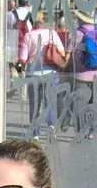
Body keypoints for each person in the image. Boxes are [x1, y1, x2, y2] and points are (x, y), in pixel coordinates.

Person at [59, 8, 97, 141]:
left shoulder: (75, 34)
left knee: (79, 105)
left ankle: (80, 131)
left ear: (80, 19)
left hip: (79, 77)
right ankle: (90, 130)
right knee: (91, 103)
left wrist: (61, 72)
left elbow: (66, 58)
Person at [19, 10, 64, 138]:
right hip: (50, 72)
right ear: (43, 21)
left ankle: (35, 134)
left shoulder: (28, 36)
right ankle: (50, 127)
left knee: (34, 104)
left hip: (33, 74)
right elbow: (62, 52)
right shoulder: (52, 33)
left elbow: (23, 58)